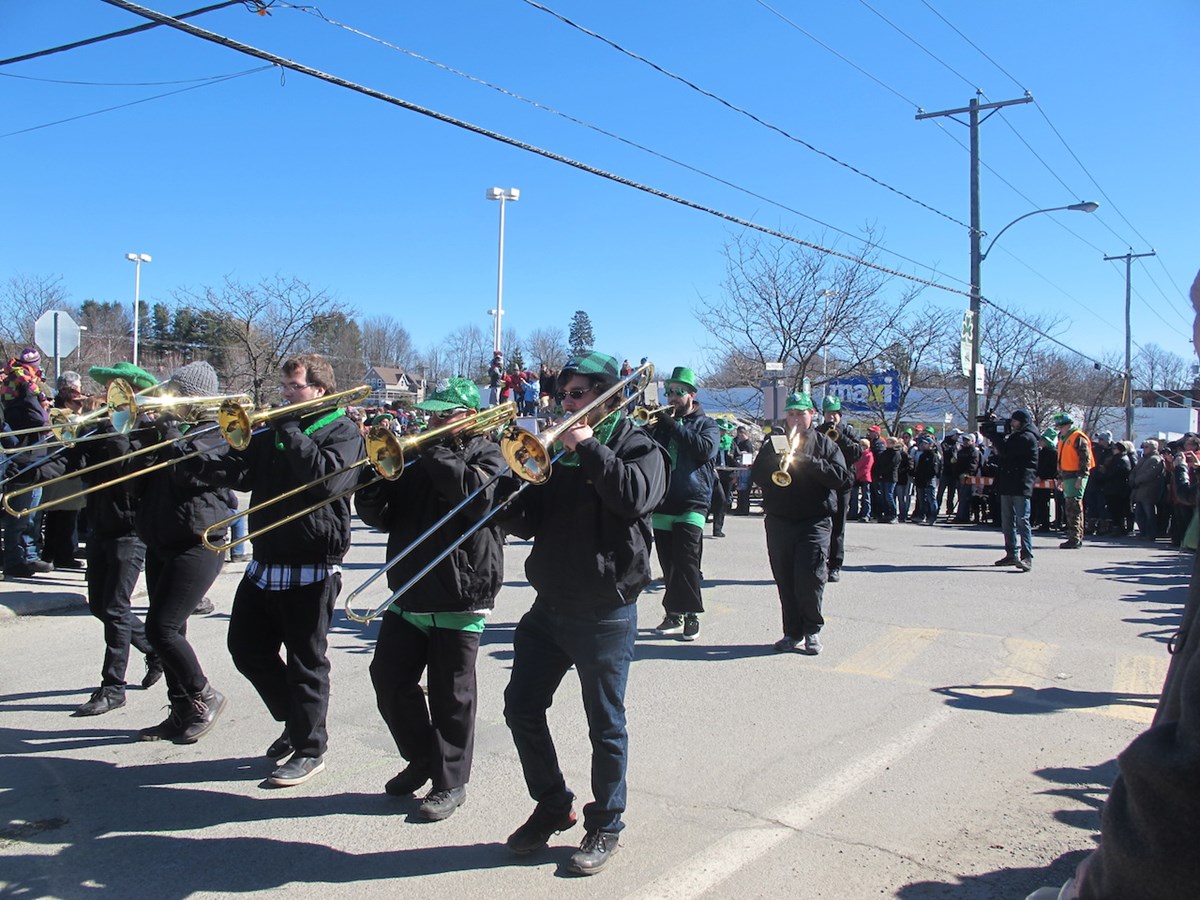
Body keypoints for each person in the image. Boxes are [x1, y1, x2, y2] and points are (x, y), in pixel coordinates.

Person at [1025, 270, 1200, 900]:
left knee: (1074, 514)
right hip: (1071, 484)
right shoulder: (1062, 438)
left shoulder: (1081, 440)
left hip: (1161, 852)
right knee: (1069, 509)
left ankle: (1075, 531)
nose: (1193, 333)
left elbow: (1091, 462)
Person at [498, 351, 668, 876]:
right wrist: (510, 482)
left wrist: (588, 445)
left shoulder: (639, 445)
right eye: (563, 395)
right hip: (549, 605)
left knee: (605, 725)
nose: (563, 403)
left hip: (605, 610)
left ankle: (606, 821)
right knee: (520, 706)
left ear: (602, 395)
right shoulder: (559, 457)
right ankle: (553, 803)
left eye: (575, 394)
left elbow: (633, 497)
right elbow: (527, 525)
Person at [187, 353, 364, 786]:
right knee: (246, 648)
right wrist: (194, 457)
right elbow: (244, 474)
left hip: (311, 561)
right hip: (267, 558)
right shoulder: (279, 428)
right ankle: (297, 721)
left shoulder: (342, 430)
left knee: (307, 662)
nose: (284, 394)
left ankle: (310, 747)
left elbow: (326, 481)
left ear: (320, 390)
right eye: (283, 387)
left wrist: (288, 430)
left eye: (294, 387)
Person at [356, 377, 506, 822]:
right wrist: (374, 480)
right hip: (411, 587)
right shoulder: (421, 457)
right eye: (431, 414)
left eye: (444, 414)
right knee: (388, 678)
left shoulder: (489, 453)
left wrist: (432, 449)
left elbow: (475, 501)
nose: (433, 421)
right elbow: (383, 518)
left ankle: (450, 781)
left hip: (462, 591)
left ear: (468, 416)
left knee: (451, 696)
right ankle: (422, 756)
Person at [16, 362, 163, 714]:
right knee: (99, 605)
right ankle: (155, 649)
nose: (109, 394)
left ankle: (113, 687)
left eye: (118, 388)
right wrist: (23, 474)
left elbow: (131, 471)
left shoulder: (151, 429)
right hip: (101, 524)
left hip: (132, 530)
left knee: (114, 607)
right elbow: (71, 463)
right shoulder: (100, 425)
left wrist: (115, 431)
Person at [128, 361, 230, 743]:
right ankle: (182, 709)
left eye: (177, 392)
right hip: (161, 537)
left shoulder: (219, 428)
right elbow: (135, 482)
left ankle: (204, 695)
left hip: (199, 540)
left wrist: (169, 431)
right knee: (170, 630)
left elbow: (194, 471)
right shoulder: (167, 432)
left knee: (161, 627)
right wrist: (141, 435)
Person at [751, 391, 851, 655]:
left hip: (814, 521)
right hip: (780, 519)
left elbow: (842, 478)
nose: (795, 419)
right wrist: (774, 461)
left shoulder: (825, 444)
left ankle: (812, 630)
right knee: (784, 577)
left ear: (811, 415)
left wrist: (808, 462)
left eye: (800, 414)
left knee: (810, 577)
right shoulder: (776, 440)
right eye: (791, 413)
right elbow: (758, 474)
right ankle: (791, 632)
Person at [649, 366, 718, 642]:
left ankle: (692, 616)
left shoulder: (707, 424)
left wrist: (673, 426)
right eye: (670, 392)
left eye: (679, 392)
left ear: (692, 395)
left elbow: (702, 450)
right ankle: (673, 613)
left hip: (694, 500)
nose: (673, 397)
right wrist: (651, 427)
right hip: (664, 500)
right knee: (668, 563)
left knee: (688, 560)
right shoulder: (663, 425)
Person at [2, 346, 54, 576]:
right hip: (26, 455)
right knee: (23, 511)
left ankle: (28, 555)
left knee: (31, 511)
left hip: (30, 453)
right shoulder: (24, 387)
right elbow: (37, 420)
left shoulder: (14, 387)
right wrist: (44, 412)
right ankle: (16, 559)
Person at [39, 372, 89, 570]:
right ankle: (62, 555)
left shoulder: (67, 408)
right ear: (68, 390)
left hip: (65, 466)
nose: (80, 393)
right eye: (76, 389)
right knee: (64, 514)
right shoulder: (60, 411)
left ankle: (53, 553)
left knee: (61, 514)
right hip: (64, 466)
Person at [980, 409, 1039, 571]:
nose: (1011, 424)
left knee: (1022, 520)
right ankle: (1011, 553)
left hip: (1020, 484)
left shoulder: (1027, 437)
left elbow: (1006, 451)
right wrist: (991, 430)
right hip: (1007, 483)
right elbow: (1003, 450)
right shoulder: (1015, 436)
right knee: (1007, 521)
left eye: (1014, 421)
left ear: (1022, 422)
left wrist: (995, 436)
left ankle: (1027, 557)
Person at [818, 395, 861, 580]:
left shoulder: (849, 432)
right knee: (821, 525)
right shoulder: (818, 431)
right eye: (829, 413)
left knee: (838, 527)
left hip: (843, 485)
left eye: (835, 414)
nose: (832, 417)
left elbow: (857, 453)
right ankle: (820, 562)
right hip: (823, 484)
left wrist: (840, 437)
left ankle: (835, 564)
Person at [1053, 413, 1093, 549]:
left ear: (1068, 425)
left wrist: (1081, 477)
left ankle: (1075, 538)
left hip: (1076, 476)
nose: (1060, 429)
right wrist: (1060, 478)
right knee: (1070, 506)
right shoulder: (1063, 438)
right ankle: (1073, 536)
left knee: (1074, 507)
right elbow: (1061, 459)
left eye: (1061, 426)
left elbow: (1085, 459)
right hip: (1067, 476)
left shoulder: (1078, 437)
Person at [1131, 439, 1167, 541]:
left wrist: (1137, 480)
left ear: (1153, 448)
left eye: (1146, 447)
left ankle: (1151, 534)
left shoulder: (1156, 459)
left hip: (1149, 491)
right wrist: (1132, 478)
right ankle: (1143, 532)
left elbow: (1150, 474)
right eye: (1144, 446)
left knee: (1149, 514)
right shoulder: (1142, 459)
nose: (1144, 449)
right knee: (1139, 514)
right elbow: (1134, 470)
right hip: (1139, 490)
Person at [910, 433, 941, 525]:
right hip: (921, 480)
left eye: (926, 443)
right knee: (921, 499)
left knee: (931, 499)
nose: (924, 445)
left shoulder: (934, 456)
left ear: (931, 445)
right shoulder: (922, 455)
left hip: (930, 480)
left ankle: (933, 516)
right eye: (923, 443)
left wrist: (928, 477)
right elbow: (919, 468)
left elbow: (934, 470)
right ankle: (921, 515)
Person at [851, 437, 873, 521]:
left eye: (863, 445)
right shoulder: (857, 453)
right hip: (856, 477)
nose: (861, 446)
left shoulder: (869, 455)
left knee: (866, 497)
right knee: (854, 496)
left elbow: (866, 468)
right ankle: (853, 513)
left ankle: (866, 514)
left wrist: (858, 475)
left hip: (864, 477)